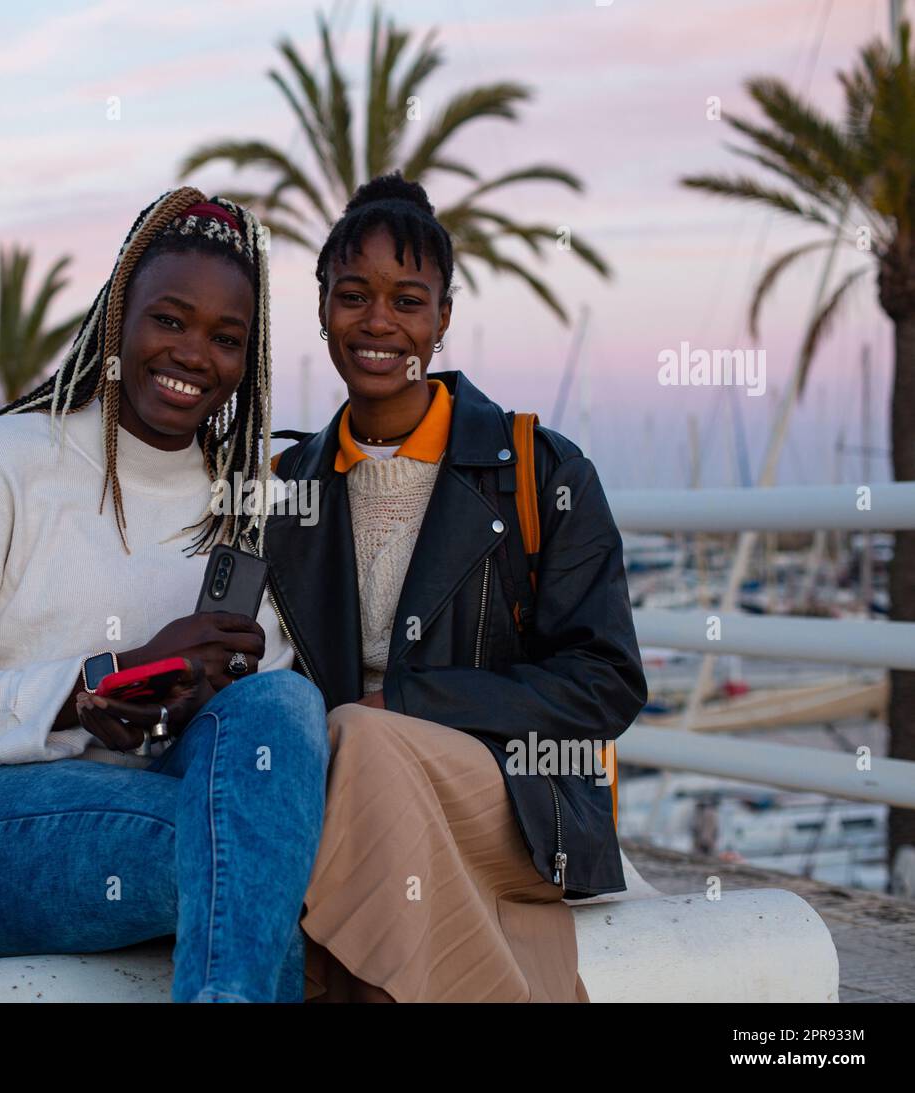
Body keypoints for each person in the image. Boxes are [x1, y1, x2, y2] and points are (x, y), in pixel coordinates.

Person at [0, 188, 328, 1003]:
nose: (194, 354)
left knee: (282, 709)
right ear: (119, 317)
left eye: (227, 338)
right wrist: (90, 688)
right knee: (251, 856)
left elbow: (264, 749)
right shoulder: (4, 461)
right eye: (171, 319)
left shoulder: (244, 499)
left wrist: (193, 688)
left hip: (164, 806)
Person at [266, 172, 648, 1002]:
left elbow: (606, 682)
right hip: (342, 784)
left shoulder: (540, 471)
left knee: (362, 743)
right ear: (322, 306)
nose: (378, 322)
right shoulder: (285, 484)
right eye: (352, 295)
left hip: (519, 798)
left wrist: (406, 705)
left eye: (408, 300)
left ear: (442, 319)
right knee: (344, 755)